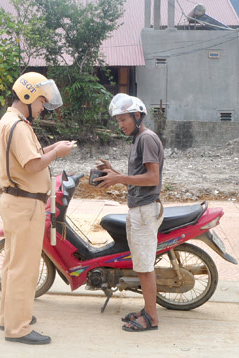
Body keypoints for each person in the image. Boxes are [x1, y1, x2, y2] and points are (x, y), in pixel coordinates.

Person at [0, 72, 73, 345]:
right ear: (27, 97)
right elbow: (32, 165)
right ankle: (18, 328)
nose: (42, 107)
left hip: (17, 202)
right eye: (41, 101)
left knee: (13, 264)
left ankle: (10, 317)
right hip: (25, 203)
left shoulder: (11, 122)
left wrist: (53, 147)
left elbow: (32, 155)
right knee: (24, 268)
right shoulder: (18, 126)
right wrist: (57, 153)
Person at [94, 93, 164, 332]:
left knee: (145, 267)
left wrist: (119, 177)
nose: (120, 124)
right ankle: (147, 309)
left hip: (145, 211)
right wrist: (112, 172)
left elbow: (153, 178)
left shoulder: (147, 139)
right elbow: (137, 180)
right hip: (137, 208)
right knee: (141, 265)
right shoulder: (137, 140)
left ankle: (152, 318)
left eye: (123, 119)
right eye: (117, 120)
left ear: (137, 116)